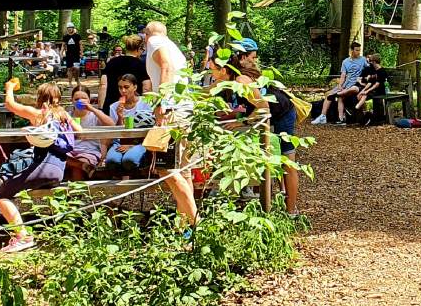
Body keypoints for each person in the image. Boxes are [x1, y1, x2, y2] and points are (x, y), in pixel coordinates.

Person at [0, 82, 77, 253]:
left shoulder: (39, 114)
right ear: (59, 98)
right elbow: (80, 130)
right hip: (59, 169)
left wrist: (9, 88)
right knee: (6, 176)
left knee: (0, 193)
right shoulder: (64, 116)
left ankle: (22, 235)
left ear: (39, 98)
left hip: (43, 166)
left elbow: (10, 105)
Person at [211, 50, 300, 216]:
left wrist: (241, 121)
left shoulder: (241, 81)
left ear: (223, 69)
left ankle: (291, 210)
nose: (210, 74)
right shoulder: (227, 80)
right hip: (263, 112)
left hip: (281, 112)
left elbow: (263, 107)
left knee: (287, 160)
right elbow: (210, 93)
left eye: (212, 70)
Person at [143, 21, 197, 228]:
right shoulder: (176, 49)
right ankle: (185, 229)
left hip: (172, 113)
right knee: (183, 171)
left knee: (166, 169)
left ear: (147, 34)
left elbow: (166, 66)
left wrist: (162, 104)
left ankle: (195, 223)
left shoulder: (155, 42)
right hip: (185, 110)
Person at [104, 74, 156, 175]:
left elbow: (150, 128)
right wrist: (120, 117)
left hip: (141, 141)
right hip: (120, 141)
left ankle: (141, 170)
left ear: (135, 87)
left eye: (126, 87)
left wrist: (132, 144)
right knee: (112, 161)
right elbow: (116, 132)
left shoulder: (146, 103)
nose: (123, 91)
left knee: (129, 160)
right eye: (120, 87)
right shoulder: (114, 106)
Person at [311, 42, 368, 126]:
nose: (358, 52)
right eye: (357, 50)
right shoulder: (345, 62)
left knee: (341, 96)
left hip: (356, 85)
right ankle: (323, 116)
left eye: (359, 50)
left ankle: (341, 116)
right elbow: (343, 75)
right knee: (329, 95)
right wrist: (340, 85)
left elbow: (369, 70)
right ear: (352, 50)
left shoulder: (363, 60)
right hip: (346, 84)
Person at [67, 87, 116, 180]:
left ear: (89, 99)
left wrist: (92, 109)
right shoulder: (68, 115)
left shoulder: (95, 115)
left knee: (76, 168)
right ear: (72, 101)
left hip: (89, 151)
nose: (80, 101)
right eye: (77, 99)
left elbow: (112, 124)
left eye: (84, 98)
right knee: (57, 157)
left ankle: (77, 193)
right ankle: (84, 166)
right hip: (70, 151)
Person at [99, 35, 150, 114]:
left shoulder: (111, 62)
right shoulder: (142, 65)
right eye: (142, 50)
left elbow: (103, 85)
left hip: (111, 106)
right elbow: (146, 88)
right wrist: (146, 107)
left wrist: (101, 107)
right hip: (134, 109)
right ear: (139, 48)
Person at [61, 22, 82, 88]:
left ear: (73, 28)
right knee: (69, 69)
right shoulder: (65, 37)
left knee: (76, 68)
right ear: (67, 29)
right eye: (68, 28)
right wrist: (61, 52)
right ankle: (70, 82)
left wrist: (81, 52)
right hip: (69, 55)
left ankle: (77, 79)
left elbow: (80, 44)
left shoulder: (77, 36)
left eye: (71, 28)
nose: (70, 29)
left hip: (76, 54)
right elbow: (63, 45)